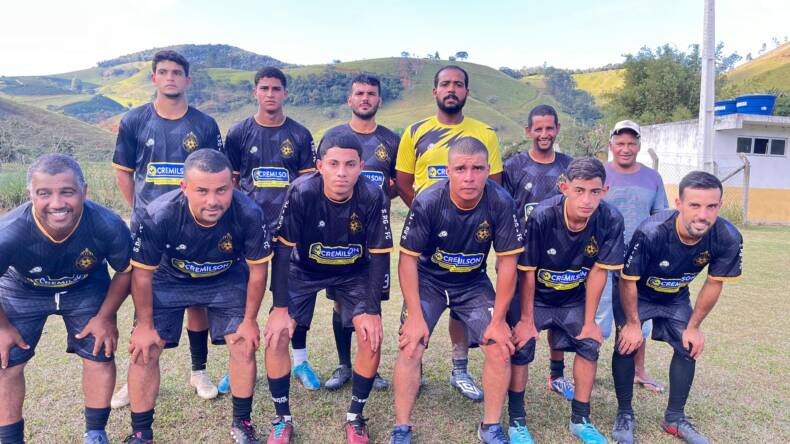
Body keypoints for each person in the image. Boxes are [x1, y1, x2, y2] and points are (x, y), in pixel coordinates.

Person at [123, 149, 271, 444]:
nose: (212, 200)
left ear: (233, 184)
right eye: (202, 191)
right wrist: (144, 325)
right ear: (184, 187)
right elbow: (142, 275)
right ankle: (141, 433)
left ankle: (242, 423)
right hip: (170, 278)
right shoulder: (159, 214)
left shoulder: (249, 213)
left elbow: (258, 271)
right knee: (146, 348)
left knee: (243, 343)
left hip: (225, 277)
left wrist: (250, 320)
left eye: (221, 190)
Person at [390, 138, 523, 444]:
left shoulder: (501, 201)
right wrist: (414, 316)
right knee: (411, 344)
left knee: (499, 346)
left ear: (488, 170)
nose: (469, 177)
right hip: (429, 281)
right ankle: (401, 427)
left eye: (477, 168)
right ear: (448, 171)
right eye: (461, 168)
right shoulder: (428, 200)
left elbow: (508, 264)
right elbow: (407, 260)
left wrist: (498, 320)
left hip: (472, 283)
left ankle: (490, 426)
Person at [111, 49, 225, 406]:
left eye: (177, 72)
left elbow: (219, 174)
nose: (170, 77)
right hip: (150, 230)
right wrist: (141, 211)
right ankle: (136, 375)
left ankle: (198, 370)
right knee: (144, 297)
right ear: (154, 78)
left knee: (197, 298)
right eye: (163, 72)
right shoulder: (134, 120)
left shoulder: (205, 124)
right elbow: (124, 172)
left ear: (187, 80)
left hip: (196, 228)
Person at [263, 132, 392, 444]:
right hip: (303, 269)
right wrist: (280, 308)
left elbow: (379, 254)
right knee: (277, 335)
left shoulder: (373, 196)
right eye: (333, 164)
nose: (341, 172)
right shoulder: (302, 191)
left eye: (350, 164)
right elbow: (282, 250)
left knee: (370, 337)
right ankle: (282, 419)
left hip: (354, 271)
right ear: (320, 166)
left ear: (361, 166)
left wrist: (372, 309)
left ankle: (355, 417)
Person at [0, 153, 132, 444]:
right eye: (44, 193)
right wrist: (2, 327)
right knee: (5, 361)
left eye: (67, 192)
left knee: (100, 352)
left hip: (85, 286)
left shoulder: (108, 225)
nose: (57, 203)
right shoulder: (8, 232)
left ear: (84, 190)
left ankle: (95, 433)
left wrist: (106, 316)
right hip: (23, 289)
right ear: (30, 194)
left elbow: (126, 272)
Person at [394, 64, 504, 401]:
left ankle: (460, 369)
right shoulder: (415, 131)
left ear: (466, 91)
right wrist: (432, 215)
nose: (451, 89)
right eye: (445, 84)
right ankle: (416, 371)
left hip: (471, 234)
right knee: (420, 310)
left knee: (463, 299)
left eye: (458, 84)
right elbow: (403, 181)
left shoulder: (485, 133)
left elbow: (494, 184)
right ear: (435, 91)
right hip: (427, 231)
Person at [611, 171, 743, 444]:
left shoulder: (728, 236)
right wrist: (633, 324)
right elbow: (627, 280)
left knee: (688, 345)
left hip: (674, 295)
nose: (703, 215)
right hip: (637, 292)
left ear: (720, 205)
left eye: (711, 206)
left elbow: (714, 283)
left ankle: (674, 418)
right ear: (679, 204)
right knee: (626, 343)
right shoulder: (651, 231)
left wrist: (694, 327)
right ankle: (624, 414)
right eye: (695, 205)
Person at [511, 157, 625, 444]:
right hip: (536, 297)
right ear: (564, 188)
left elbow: (598, 272)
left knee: (589, 343)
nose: (587, 200)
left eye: (595, 192)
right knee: (521, 344)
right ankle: (516, 420)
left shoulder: (611, 219)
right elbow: (527, 272)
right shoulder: (542, 216)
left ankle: (580, 419)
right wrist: (525, 320)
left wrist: (590, 322)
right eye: (579, 191)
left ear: (605, 191)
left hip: (572, 298)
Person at [224, 65, 315, 393]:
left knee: (292, 297)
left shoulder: (300, 134)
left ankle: (300, 360)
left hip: (290, 232)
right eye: (264, 88)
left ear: (285, 93)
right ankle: (237, 361)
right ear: (255, 92)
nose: (270, 94)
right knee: (241, 298)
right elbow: (231, 183)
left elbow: (308, 186)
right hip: (249, 232)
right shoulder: (238, 133)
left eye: (276, 89)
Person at [315, 73, 399, 392]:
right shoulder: (333, 135)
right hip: (339, 237)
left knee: (372, 301)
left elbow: (396, 185)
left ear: (379, 100)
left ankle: (370, 367)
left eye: (371, 93)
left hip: (375, 236)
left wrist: (376, 202)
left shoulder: (391, 140)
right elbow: (321, 181)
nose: (365, 98)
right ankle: (344, 364)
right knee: (340, 302)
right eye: (360, 93)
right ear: (349, 99)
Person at [502, 104, 576, 414]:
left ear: (557, 129)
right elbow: (504, 209)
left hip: (562, 258)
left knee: (558, 317)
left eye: (549, 128)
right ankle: (511, 378)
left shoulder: (570, 165)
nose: (544, 134)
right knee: (519, 319)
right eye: (538, 128)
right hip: (522, 256)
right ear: (528, 131)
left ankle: (556, 375)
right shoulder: (514, 166)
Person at [595, 120, 668, 395]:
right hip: (602, 258)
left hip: (639, 262)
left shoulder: (653, 178)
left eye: (631, 143)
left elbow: (660, 218)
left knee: (637, 317)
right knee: (597, 315)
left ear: (639, 146)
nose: (625, 149)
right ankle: (587, 368)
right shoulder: (598, 174)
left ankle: (639, 371)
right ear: (610, 145)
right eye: (620, 143)